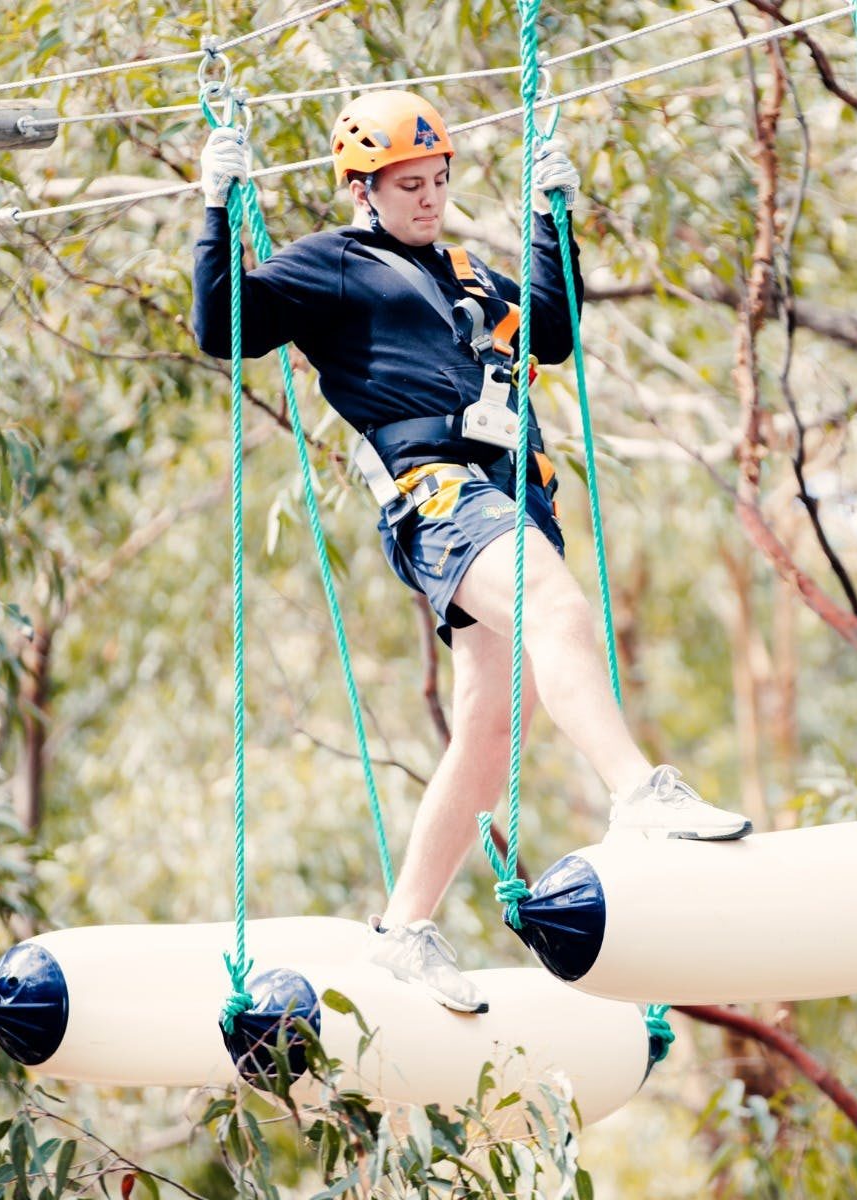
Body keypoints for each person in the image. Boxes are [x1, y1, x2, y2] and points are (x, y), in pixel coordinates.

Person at [192, 91, 750, 1014]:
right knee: (559, 611)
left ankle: (405, 928)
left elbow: (552, 331)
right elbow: (226, 328)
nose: (429, 198)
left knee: (492, 729)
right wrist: (217, 209)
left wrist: (548, 221)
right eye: (410, 185)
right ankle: (639, 794)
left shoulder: (463, 272)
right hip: (437, 490)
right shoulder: (333, 265)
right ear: (363, 189)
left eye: (440, 180)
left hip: (510, 488)